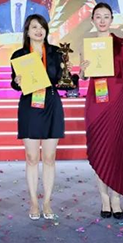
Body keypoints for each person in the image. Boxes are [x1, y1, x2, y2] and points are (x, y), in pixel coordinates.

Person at [10, 14, 77, 220]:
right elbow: (14, 84)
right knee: (32, 158)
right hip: (29, 105)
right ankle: (33, 201)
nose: (39, 31)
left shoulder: (57, 52)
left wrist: (72, 74)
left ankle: (47, 202)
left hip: (51, 104)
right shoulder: (19, 54)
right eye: (34, 27)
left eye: (42, 27)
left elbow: (65, 82)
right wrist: (16, 81)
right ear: (27, 31)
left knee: (49, 157)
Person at [78, 2, 123, 220]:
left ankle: (116, 199)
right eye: (98, 16)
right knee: (100, 147)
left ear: (112, 19)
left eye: (106, 16)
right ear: (92, 20)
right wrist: (82, 71)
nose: (102, 20)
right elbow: (83, 77)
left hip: (118, 99)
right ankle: (104, 199)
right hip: (96, 100)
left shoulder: (122, 44)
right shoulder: (87, 45)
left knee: (117, 147)